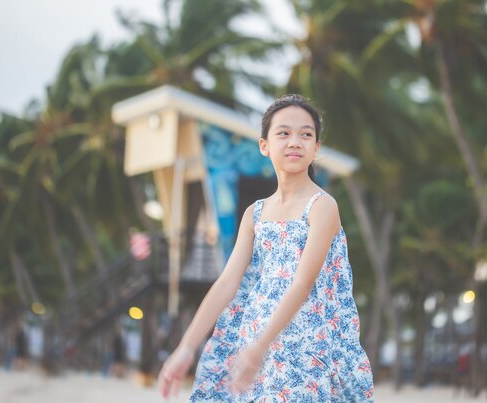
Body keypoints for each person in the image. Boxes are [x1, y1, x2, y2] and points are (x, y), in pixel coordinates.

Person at [158, 94, 374, 401]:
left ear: (316, 148)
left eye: (306, 134)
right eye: (284, 133)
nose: (295, 141)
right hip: (253, 345)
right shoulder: (254, 214)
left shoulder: (322, 206)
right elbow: (227, 282)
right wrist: (186, 347)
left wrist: (261, 346)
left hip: (305, 349)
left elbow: (303, 282)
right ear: (264, 146)